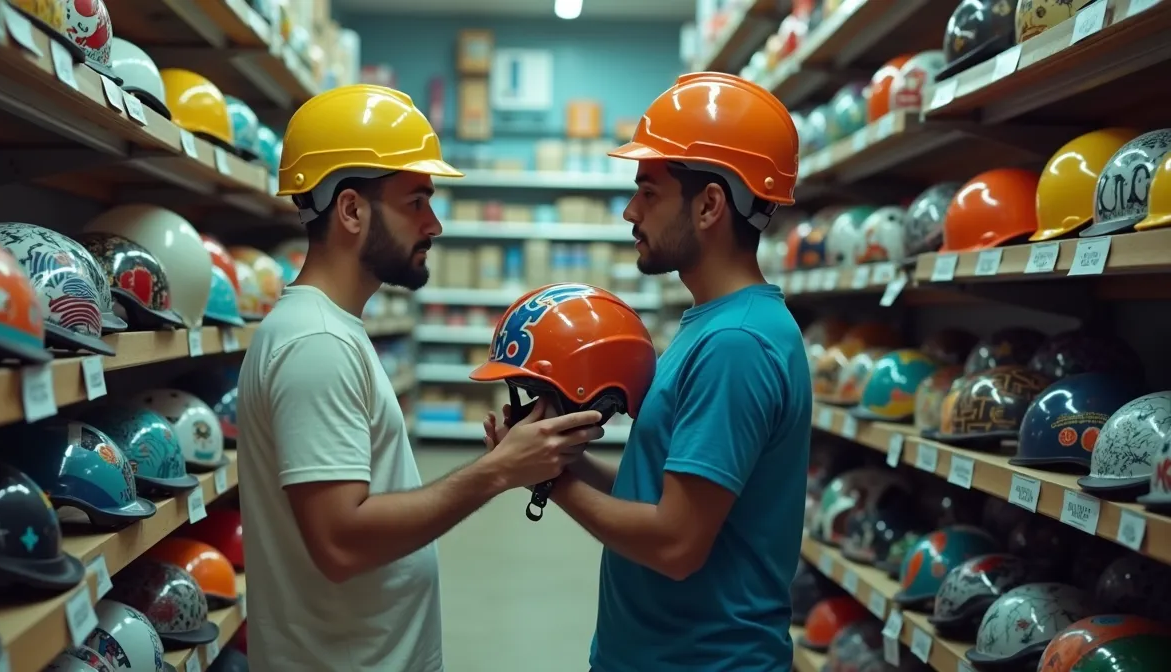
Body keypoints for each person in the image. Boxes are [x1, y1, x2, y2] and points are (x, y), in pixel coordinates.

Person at [235, 84, 606, 672]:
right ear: (351, 210)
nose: (434, 224)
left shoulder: (329, 330)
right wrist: (498, 471)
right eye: (416, 201)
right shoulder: (317, 344)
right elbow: (340, 543)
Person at [486, 72, 812, 671]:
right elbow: (661, 496)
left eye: (649, 191)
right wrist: (554, 458)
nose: (630, 211)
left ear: (709, 205)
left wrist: (550, 483)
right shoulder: (713, 325)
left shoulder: (735, 345)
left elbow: (676, 543)